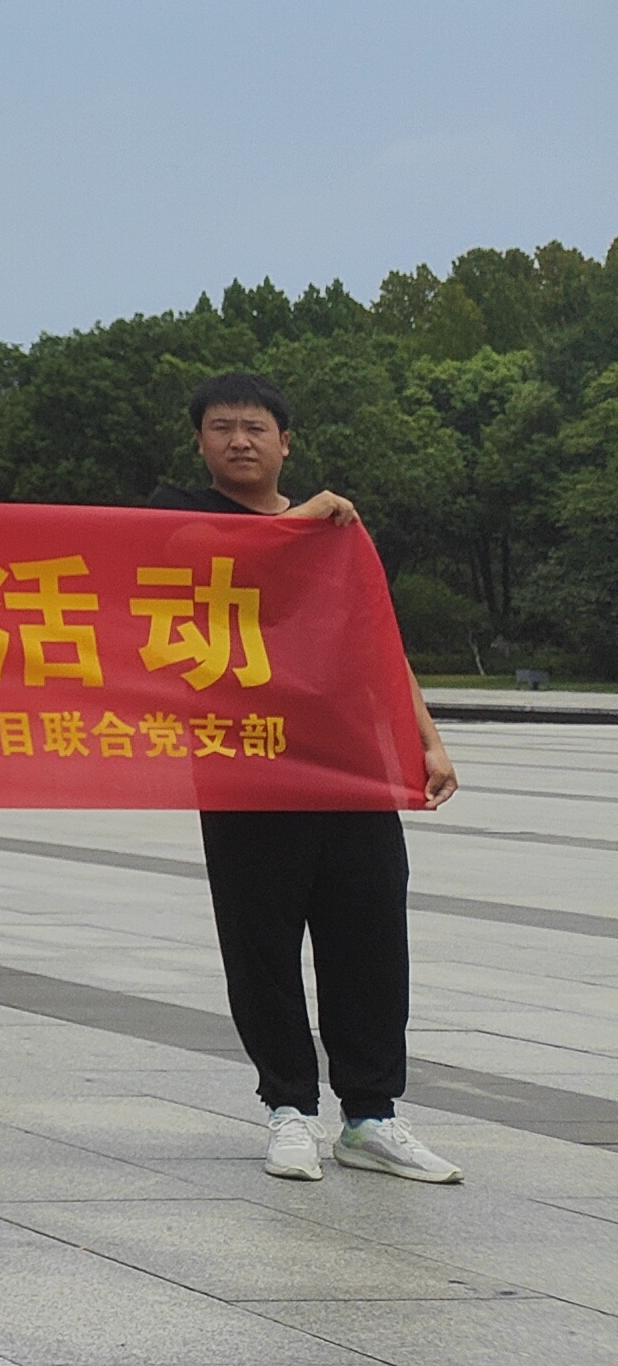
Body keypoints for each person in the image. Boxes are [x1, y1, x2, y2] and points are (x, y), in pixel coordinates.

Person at [147, 372, 466, 1186]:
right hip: (246, 762)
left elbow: (378, 641)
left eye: (256, 427)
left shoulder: (335, 535)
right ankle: (288, 1107)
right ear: (199, 442)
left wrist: (426, 741)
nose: (239, 440)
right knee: (262, 939)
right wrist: (300, 520)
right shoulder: (178, 512)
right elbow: (191, 555)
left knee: (370, 936)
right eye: (222, 427)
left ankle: (371, 1116)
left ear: (286, 443)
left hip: (346, 761)